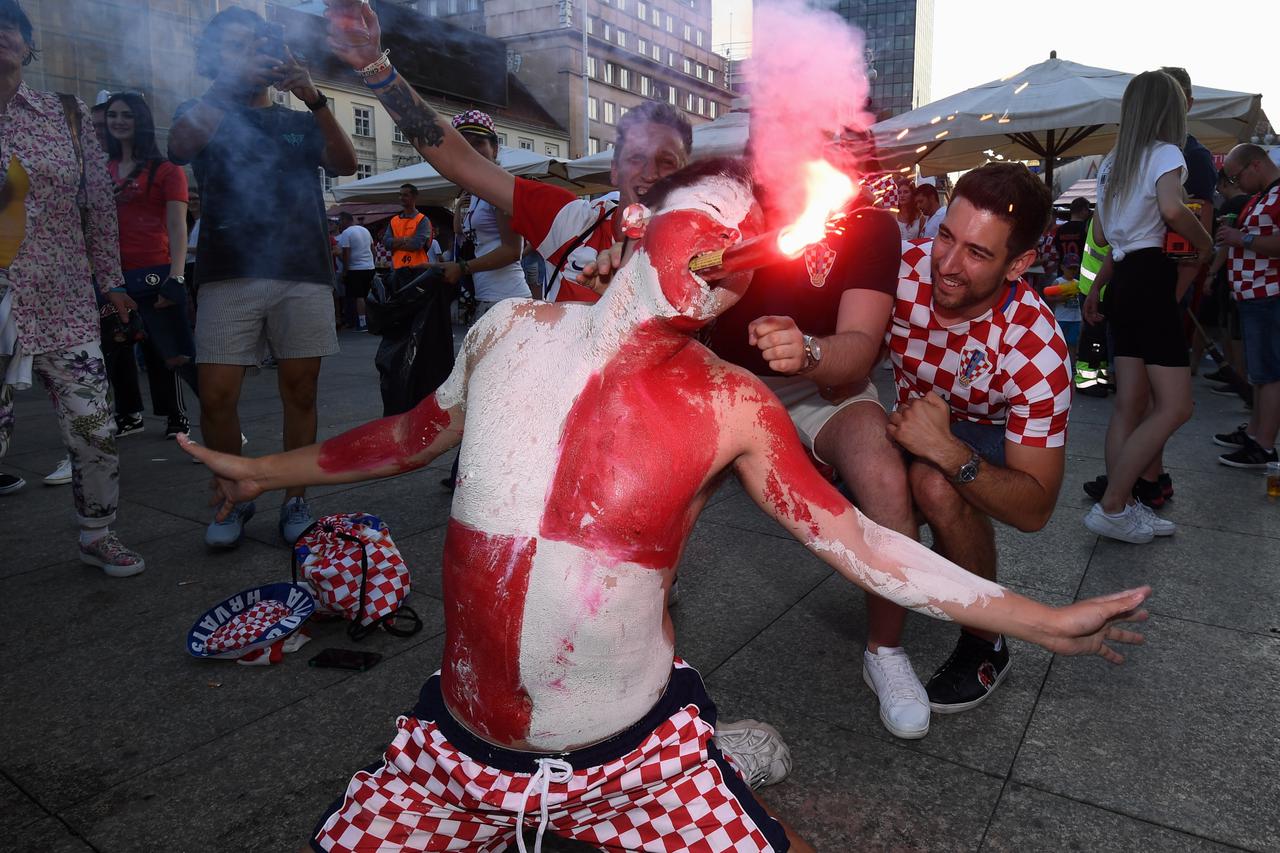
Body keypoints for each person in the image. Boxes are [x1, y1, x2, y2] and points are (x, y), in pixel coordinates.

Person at [181, 156, 1151, 853]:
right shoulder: (508, 329)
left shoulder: (731, 405)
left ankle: (712, 758)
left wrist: (1038, 619)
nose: (729, 248)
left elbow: (861, 542)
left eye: (745, 241)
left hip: (637, 762)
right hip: (455, 751)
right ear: (640, 226)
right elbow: (400, 437)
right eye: (713, 217)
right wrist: (266, 471)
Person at [710, 183, 926, 738]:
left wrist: (809, 351)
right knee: (651, 477)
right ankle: (637, 634)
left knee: (883, 473)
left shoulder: (867, 223)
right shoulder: (724, 203)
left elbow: (858, 343)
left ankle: (886, 650)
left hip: (819, 381)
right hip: (723, 377)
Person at [324, 0, 692, 305]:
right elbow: (458, 160)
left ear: (687, 173)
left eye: (667, 162)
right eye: (637, 158)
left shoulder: (707, 241)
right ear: (615, 171)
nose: (651, 173)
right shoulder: (574, 223)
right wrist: (376, 68)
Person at [883, 162, 1074, 714]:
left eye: (977, 252)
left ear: (1019, 265)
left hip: (990, 442)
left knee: (935, 483)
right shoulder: (902, 272)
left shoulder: (1037, 346)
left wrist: (944, 450)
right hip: (913, 420)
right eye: (947, 235)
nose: (946, 264)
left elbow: (1036, 508)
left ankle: (985, 639)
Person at [169, 6, 358, 548]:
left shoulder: (299, 120)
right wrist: (228, 86)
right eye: (234, 46)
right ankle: (232, 494)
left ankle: (295, 498)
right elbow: (180, 146)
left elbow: (345, 164)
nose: (249, 55)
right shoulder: (202, 108)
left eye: (256, 45)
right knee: (216, 397)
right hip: (229, 269)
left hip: (302, 269)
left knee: (300, 391)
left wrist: (312, 94)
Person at [0, 0, 145, 575]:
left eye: (13, 27)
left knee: (94, 428)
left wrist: (110, 282)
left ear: (29, 45)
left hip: (63, 298)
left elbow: (99, 208)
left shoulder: (66, 114)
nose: (3, 36)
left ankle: (97, 533)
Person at [1081, 70, 1212, 543]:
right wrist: (1206, 243)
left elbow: (1104, 234)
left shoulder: (1114, 161)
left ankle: (1122, 505)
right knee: (1176, 406)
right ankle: (1115, 503)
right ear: (1171, 109)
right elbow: (1173, 210)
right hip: (1152, 278)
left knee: (1129, 405)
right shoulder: (1166, 153)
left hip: (1124, 281)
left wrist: (1096, 288)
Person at [103, 91, 197, 439]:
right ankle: (124, 416)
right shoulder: (102, 169)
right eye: (113, 115)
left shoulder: (167, 170)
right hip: (113, 277)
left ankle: (208, 421)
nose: (119, 121)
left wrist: (177, 275)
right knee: (113, 352)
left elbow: (177, 226)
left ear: (140, 120)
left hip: (156, 272)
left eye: (127, 115)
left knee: (175, 355)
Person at [1213, 144, 1280, 468]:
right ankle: (1256, 432)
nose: (1237, 185)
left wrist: (1243, 240)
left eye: (1238, 177)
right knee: (1261, 372)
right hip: (1256, 296)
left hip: (1269, 295)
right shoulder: (1264, 196)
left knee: (1269, 373)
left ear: (1255, 165)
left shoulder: (1277, 195)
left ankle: (1264, 444)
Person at [437, 111, 528, 319]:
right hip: (489, 297)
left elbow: (513, 250)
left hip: (507, 300)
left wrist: (462, 267)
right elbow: (465, 234)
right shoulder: (479, 191)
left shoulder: (500, 188)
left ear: (495, 148)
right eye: (464, 146)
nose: (471, 151)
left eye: (478, 143)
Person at [383, 182, 432, 282]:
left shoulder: (422, 219)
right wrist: (405, 239)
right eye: (400, 195)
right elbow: (386, 243)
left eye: (405, 195)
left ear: (414, 197)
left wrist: (395, 243)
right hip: (396, 269)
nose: (401, 198)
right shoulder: (394, 220)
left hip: (417, 270)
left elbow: (416, 245)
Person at [335, 211, 374, 330]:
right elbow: (373, 249)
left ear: (345, 220)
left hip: (355, 269)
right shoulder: (365, 230)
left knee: (358, 296)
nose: (339, 224)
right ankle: (370, 320)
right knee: (368, 295)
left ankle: (362, 323)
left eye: (339, 221)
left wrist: (345, 271)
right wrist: (372, 263)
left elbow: (346, 253)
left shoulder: (346, 233)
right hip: (369, 267)